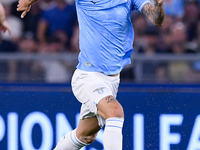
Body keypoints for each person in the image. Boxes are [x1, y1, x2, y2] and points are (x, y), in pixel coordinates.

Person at [17, 0, 165, 149]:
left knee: (85, 135)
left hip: (112, 79)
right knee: (115, 111)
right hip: (88, 76)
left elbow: (156, 19)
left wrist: (158, 6)